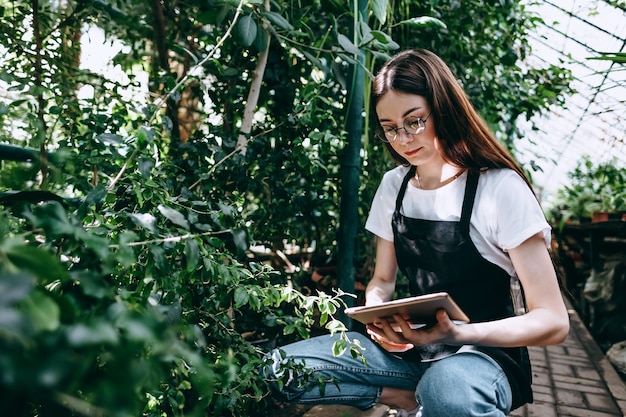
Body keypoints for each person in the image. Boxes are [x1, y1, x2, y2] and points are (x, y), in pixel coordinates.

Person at [263, 48, 570, 417]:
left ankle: (431, 397)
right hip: (413, 351)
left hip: (482, 356)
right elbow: (381, 279)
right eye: (390, 128)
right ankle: (403, 398)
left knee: (446, 389)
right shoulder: (395, 186)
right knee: (278, 368)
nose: (403, 138)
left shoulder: (499, 188)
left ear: (442, 108)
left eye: (415, 121)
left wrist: (458, 334)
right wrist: (378, 317)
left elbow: (553, 321)